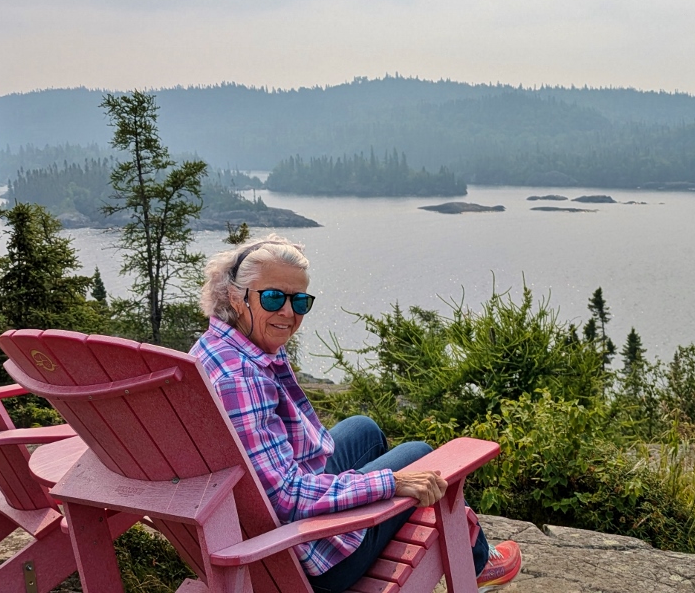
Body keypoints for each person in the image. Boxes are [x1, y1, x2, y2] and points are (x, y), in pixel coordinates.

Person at [191, 235, 521, 593]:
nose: (288, 312)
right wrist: (390, 483)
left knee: (363, 430)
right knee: (420, 458)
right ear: (237, 298)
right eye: (273, 297)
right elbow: (285, 496)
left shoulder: (214, 349)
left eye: (299, 301)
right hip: (304, 558)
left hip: (248, 521)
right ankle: (477, 563)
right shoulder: (241, 379)